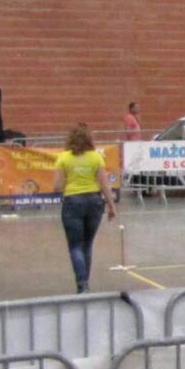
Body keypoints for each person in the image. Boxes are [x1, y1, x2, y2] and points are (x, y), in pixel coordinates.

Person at [52, 124, 117, 294]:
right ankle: (85, 282)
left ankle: (82, 284)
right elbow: (105, 184)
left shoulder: (63, 158)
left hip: (73, 201)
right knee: (87, 244)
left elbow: (57, 186)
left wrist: (69, 184)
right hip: (94, 201)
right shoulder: (96, 157)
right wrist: (111, 205)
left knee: (75, 245)